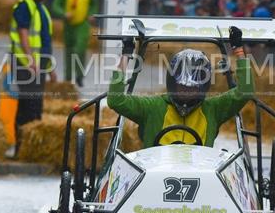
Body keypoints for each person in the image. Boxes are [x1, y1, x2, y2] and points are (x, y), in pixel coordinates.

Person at [107, 26, 254, 148]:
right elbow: (115, 101)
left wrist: (238, 51)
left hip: (203, 175)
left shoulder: (213, 109)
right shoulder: (152, 107)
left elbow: (245, 91)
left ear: (202, 87)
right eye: (182, 85)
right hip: (155, 175)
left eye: (192, 87)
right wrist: (126, 54)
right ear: (172, 83)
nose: (186, 90)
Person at [10, 0, 56, 155]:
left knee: (36, 108)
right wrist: (30, 60)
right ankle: (20, 149)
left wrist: (50, 68)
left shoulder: (43, 10)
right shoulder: (24, 6)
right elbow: (23, 35)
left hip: (37, 66)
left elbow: (45, 42)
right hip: (25, 65)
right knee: (27, 107)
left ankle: (31, 149)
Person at [51, 0, 98, 87]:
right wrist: (63, 13)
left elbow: (94, 4)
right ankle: (67, 77)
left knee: (80, 49)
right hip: (68, 25)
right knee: (68, 51)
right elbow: (55, 5)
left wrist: (92, 14)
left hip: (82, 24)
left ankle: (79, 75)